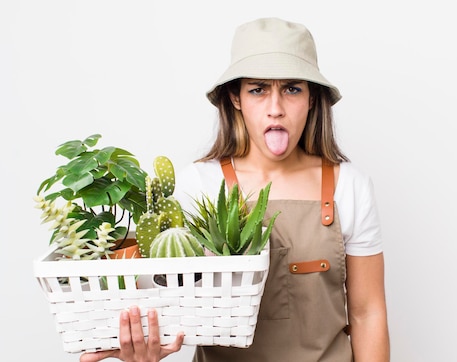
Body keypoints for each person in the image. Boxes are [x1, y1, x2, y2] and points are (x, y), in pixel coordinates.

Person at [81, 17, 390, 362]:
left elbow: (367, 313)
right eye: (258, 89)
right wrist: (147, 342)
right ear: (236, 98)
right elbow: (168, 306)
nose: (276, 108)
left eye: (292, 89)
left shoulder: (350, 186)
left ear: (312, 98)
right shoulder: (197, 185)